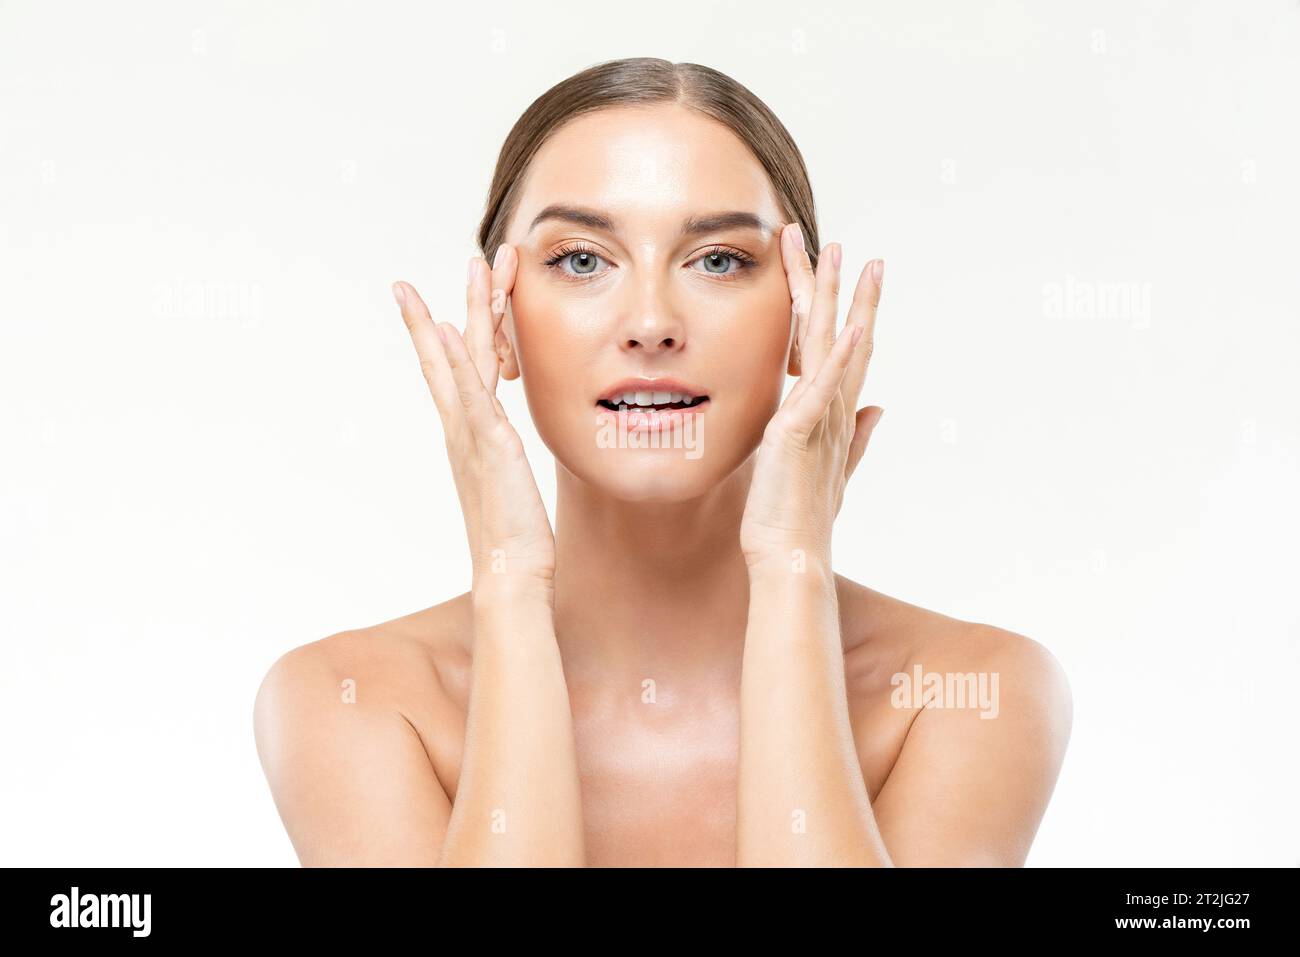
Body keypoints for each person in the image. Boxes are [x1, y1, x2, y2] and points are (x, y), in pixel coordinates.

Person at [253, 56, 1072, 867]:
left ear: (804, 313)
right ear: (498, 322)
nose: (651, 322)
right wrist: (509, 588)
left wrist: (794, 570)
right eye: (581, 259)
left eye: (719, 259)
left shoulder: (974, 694)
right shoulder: (350, 701)